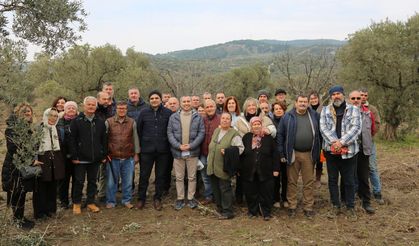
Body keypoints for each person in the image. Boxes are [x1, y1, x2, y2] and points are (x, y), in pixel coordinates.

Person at [320, 85, 361, 221]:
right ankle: (335, 205)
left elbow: (356, 128)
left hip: (349, 152)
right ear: (330, 96)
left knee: (349, 180)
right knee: (332, 180)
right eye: (333, 94)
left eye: (338, 93)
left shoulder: (354, 109)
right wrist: (334, 143)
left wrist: (341, 142)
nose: (336, 96)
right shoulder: (325, 110)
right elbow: (323, 128)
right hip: (331, 152)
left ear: (343, 95)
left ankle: (350, 207)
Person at [277, 95, 321, 219]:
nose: (303, 104)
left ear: (308, 103)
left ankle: (308, 207)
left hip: (309, 153)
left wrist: (319, 150)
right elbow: (280, 135)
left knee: (308, 181)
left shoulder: (314, 116)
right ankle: (292, 206)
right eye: (300, 101)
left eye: (305, 102)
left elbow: (320, 134)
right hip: (293, 153)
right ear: (295, 103)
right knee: (292, 181)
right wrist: (281, 152)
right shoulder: (287, 117)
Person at [69, 96, 107, 215]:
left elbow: (104, 140)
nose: (91, 107)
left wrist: (103, 155)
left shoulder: (100, 122)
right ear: (84, 106)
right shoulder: (76, 121)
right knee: (79, 181)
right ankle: (77, 203)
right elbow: (72, 140)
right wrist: (74, 156)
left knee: (92, 181)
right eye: (88, 105)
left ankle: (90, 202)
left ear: (96, 107)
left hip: (95, 158)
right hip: (80, 159)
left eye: (93, 105)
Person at [234, 97, 276, 204]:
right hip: (245, 152)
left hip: (261, 154)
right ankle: (242, 199)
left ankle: (263, 202)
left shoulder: (264, 118)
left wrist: (267, 130)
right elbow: (234, 133)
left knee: (260, 179)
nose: (251, 107)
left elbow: (273, 130)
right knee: (244, 178)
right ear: (245, 108)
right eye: (249, 105)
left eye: (254, 105)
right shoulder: (240, 119)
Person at [136, 91, 173, 210]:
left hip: (163, 150)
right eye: (152, 98)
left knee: (160, 175)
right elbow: (139, 130)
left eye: (157, 98)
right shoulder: (143, 112)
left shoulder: (168, 113)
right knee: (144, 175)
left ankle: (157, 198)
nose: (154, 100)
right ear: (149, 100)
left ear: (161, 99)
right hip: (147, 150)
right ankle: (141, 198)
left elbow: (171, 129)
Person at [2, 103, 36, 229]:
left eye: (29, 111)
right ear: (18, 113)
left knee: (21, 191)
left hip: (21, 164)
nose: (27, 113)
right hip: (14, 165)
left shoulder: (26, 127)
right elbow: (13, 148)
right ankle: (17, 220)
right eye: (24, 111)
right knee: (16, 191)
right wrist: (30, 159)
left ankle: (20, 217)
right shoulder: (12, 129)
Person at [167, 96, 205, 210]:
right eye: (184, 101)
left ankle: (191, 198)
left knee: (192, 177)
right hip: (178, 152)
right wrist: (178, 146)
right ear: (180, 103)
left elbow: (201, 133)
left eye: (188, 101)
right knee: (179, 177)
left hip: (192, 152)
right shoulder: (173, 117)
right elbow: (169, 133)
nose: (187, 103)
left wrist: (191, 146)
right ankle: (180, 198)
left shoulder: (197, 117)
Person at [240, 117, 279, 221]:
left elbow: (275, 154)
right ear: (251, 126)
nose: (256, 126)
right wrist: (240, 169)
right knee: (250, 192)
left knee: (266, 192)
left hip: (266, 170)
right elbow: (242, 154)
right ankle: (252, 211)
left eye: (258, 124)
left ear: (261, 125)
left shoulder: (268, 137)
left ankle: (266, 212)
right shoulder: (246, 137)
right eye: (254, 124)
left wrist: (276, 169)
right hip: (249, 170)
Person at [207, 112, 244, 219]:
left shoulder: (234, 133)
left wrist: (228, 152)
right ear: (220, 120)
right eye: (223, 118)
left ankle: (228, 211)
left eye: (227, 118)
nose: (225, 120)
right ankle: (220, 207)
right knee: (215, 188)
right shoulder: (217, 130)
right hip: (213, 165)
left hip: (224, 166)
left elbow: (240, 149)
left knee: (225, 188)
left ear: (231, 121)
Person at [105, 101, 140, 209]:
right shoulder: (109, 122)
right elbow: (104, 139)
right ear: (116, 109)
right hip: (112, 157)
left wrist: (136, 154)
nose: (122, 110)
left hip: (128, 156)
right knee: (111, 182)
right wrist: (105, 154)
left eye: (124, 108)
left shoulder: (132, 122)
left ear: (126, 109)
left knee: (128, 181)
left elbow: (135, 139)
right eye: (120, 108)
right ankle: (111, 201)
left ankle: (126, 200)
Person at [33, 108, 65, 219]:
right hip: (42, 159)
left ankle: (51, 210)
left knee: (52, 186)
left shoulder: (57, 129)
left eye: (56, 116)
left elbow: (61, 145)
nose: (53, 118)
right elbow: (33, 145)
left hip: (55, 159)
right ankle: (40, 213)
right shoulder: (39, 128)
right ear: (46, 115)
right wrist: (34, 160)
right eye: (51, 115)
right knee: (41, 187)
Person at [347, 91, 375, 214]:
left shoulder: (368, 113)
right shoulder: (345, 112)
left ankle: (366, 202)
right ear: (349, 99)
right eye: (353, 98)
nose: (356, 100)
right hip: (349, 149)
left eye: (358, 98)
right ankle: (347, 200)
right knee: (348, 176)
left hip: (364, 149)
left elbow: (372, 130)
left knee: (363, 176)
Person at [360, 88, 384, 205]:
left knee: (372, 167)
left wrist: (369, 136)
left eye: (365, 95)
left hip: (370, 143)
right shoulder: (354, 108)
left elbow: (377, 124)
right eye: (361, 95)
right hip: (357, 144)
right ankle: (359, 192)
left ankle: (377, 192)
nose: (363, 97)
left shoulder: (372, 109)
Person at [57, 101, 78, 209]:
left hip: (77, 156)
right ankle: (63, 201)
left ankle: (75, 200)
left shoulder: (80, 121)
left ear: (76, 110)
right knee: (63, 180)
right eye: (68, 108)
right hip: (63, 156)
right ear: (64, 110)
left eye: (73, 108)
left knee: (77, 179)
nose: (71, 110)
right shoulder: (59, 122)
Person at [199, 99, 220, 204]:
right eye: (207, 107)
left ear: (215, 107)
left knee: (216, 175)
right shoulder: (201, 119)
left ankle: (217, 196)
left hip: (216, 154)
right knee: (205, 175)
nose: (209, 108)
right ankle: (209, 195)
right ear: (204, 109)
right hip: (203, 152)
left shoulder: (221, 119)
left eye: (211, 106)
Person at [270, 101, 288, 209]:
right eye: (276, 109)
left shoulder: (288, 121)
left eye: (280, 108)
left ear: (284, 110)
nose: (278, 110)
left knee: (286, 177)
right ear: (273, 111)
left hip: (286, 153)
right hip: (274, 154)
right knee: (275, 177)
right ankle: (276, 198)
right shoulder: (271, 123)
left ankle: (285, 198)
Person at [96, 91, 113, 203]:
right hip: (97, 146)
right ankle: (100, 193)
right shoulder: (95, 112)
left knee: (106, 171)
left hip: (109, 145)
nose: (106, 101)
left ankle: (104, 193)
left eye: (107, 99)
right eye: (104, 99)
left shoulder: (111, 111)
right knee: (99, 172)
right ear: (98, 100)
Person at [308, 91, 324, 189]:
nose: (313, 100)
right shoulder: (307, 109)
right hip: (310, 138)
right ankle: (309, 177)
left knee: (320, 159)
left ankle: (318, 179)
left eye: (315, 98)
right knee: (310, 159)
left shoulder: (323, 109)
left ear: (318, 99)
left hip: (322, 138)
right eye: (311, 99)